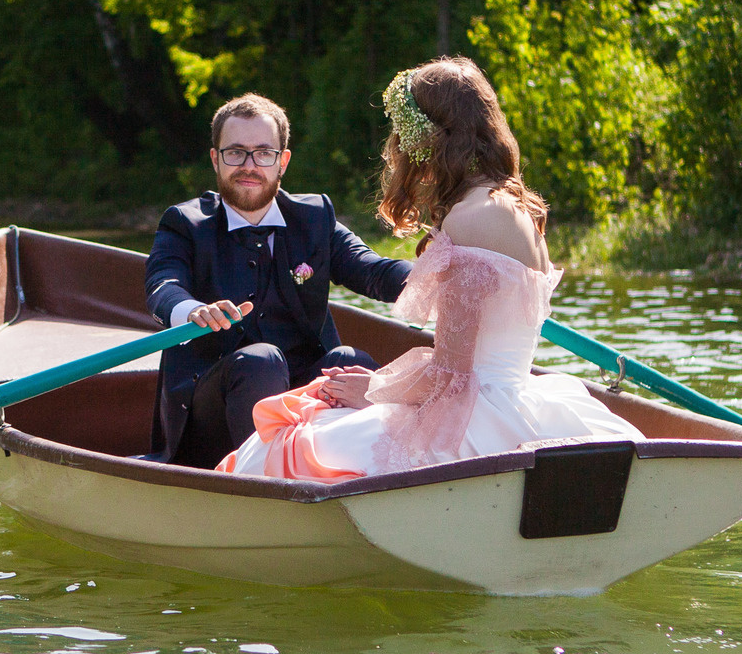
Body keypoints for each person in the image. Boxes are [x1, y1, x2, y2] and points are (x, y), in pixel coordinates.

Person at [219, 57, 643, 481]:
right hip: (516, 400)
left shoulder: (470, 217)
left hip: (475, 415)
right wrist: (380, 382)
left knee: (285, 440)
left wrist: (374, 390)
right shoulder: (517, 206)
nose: (396, 145)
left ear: (425, 137)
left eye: (401, 133)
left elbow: (452, 377)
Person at [147, 93, 414, 467]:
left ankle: (352, 472)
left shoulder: (314, 218)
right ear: (215, 159)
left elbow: (371, 269)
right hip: (212, 410)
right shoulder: (184, 223)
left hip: (299, 391)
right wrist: (193, 311)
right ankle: (263, 481)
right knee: (260, 361)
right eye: (235, 152)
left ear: (282, 161)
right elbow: (163, 285)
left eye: (263, 153)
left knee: (350, 361)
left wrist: (436, 276)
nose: (249, 165)